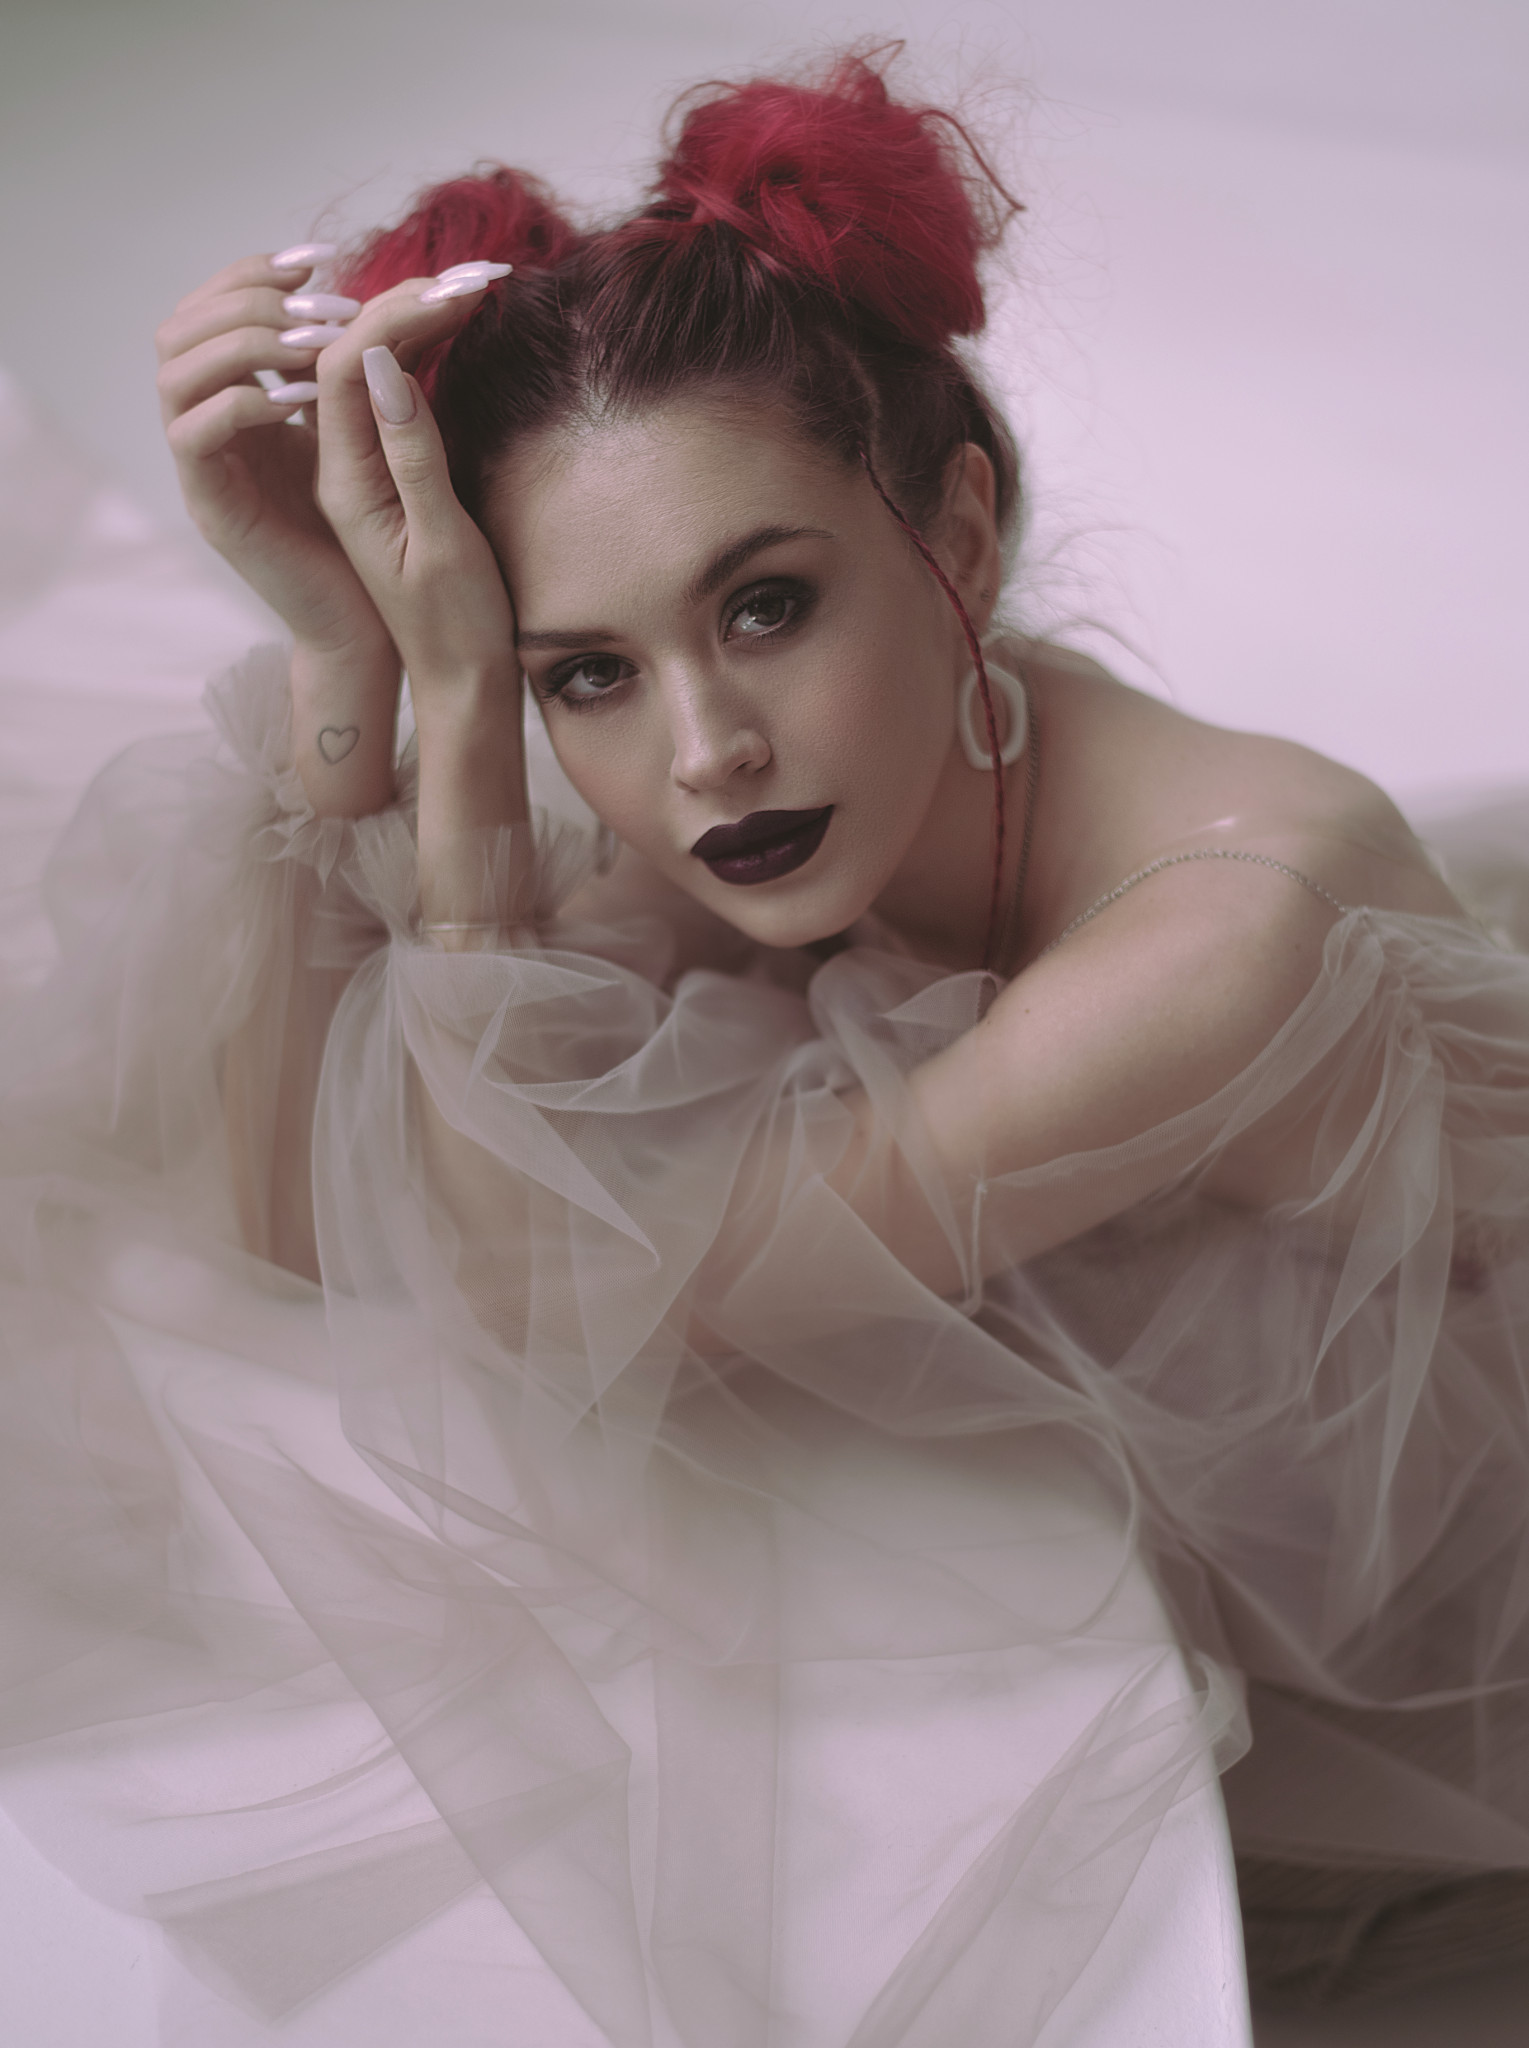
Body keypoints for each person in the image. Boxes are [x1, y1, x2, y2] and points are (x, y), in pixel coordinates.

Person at [1, 46, 1526, 2043]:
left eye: (768, 606)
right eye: (584, 672)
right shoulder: (789, 806)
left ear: (957, 539)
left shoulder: (1226, 946)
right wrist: (348, 647)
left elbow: (549, 1311)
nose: (706, 749)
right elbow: (298, 1219)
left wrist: (475, 750)